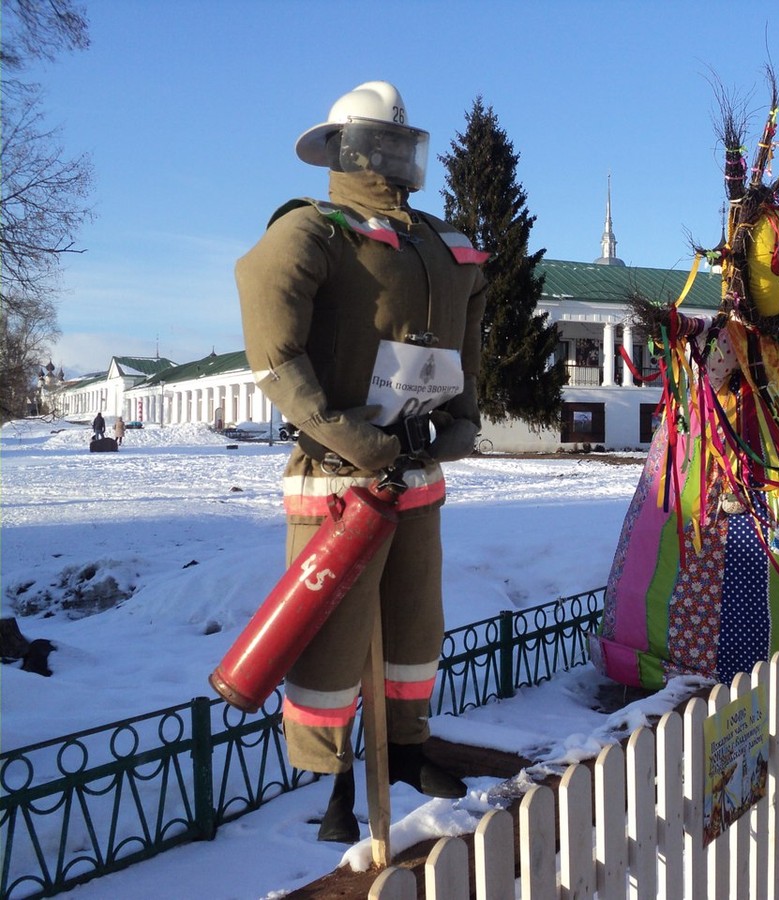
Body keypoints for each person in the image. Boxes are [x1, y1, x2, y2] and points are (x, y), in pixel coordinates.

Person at [234, 81, 488, 842]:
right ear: (338, 150)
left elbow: (468, 338)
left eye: (399, 144)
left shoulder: (443, 243)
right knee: (333, 632)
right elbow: (274, 354)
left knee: (414, 623)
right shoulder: (313, 231)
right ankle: (336, 776)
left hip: (417, 468)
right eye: (375, 143)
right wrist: (342, 432)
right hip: (339, 476)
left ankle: (404, 746)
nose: (389, 158)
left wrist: (462, 421)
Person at [591, 73, 779, 690]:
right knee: (718, 561)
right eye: (777, 259)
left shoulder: (768, 346)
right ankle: (704, 656)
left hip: (773, 465)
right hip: (718, 474)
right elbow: (707, 387)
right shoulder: (725, 341)